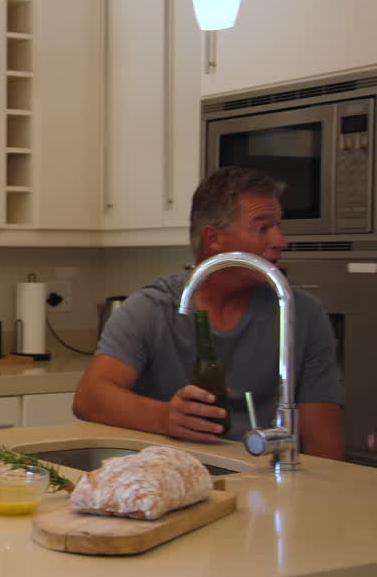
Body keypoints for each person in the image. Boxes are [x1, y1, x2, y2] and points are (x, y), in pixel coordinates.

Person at [73, 166, 344, 459]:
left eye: (278, 226)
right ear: (213, 238)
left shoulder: (302, 314)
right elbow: (90, 398)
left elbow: (324, 445)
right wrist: (167, 417)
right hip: (174, 476)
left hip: (266, 481)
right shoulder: (153, 307)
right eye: (263, 227)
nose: (281, 241)